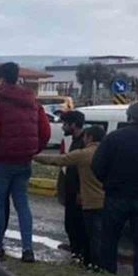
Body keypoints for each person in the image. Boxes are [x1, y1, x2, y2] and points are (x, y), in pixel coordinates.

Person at [0, 62, 51, 262]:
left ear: (1, 79)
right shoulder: (33, 101)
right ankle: (28, 250)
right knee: (22, 204)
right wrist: (33, 150)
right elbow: (45, 132)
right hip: (24, 161)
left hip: (0, 161)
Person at [92, 101, 138, 276]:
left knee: (109, 238)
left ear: (129, 115)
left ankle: (108, 274)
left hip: (116, 195)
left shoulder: (113, 138)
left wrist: (107, 182)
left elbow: (97, 166)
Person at [34, 125, 106, 271]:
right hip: (107, 200)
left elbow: (60, 160)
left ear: (90, 138)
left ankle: (93, 263)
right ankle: (100, 263)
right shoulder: (108, 153)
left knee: (90, 234)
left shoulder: (84, 154)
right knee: (102, 234)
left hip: (91, 201)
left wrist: (34, 156)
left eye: (85, 137)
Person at [58, 110, 87, 262]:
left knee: (76, 224)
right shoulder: (75, 140)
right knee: (71, 223)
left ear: (73, 125)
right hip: (72, 190)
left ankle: (79, 252)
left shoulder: (82, 143)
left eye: (65, 124)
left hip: (78, 193)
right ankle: (75, 250)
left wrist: (79, 192)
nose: (63, 127)